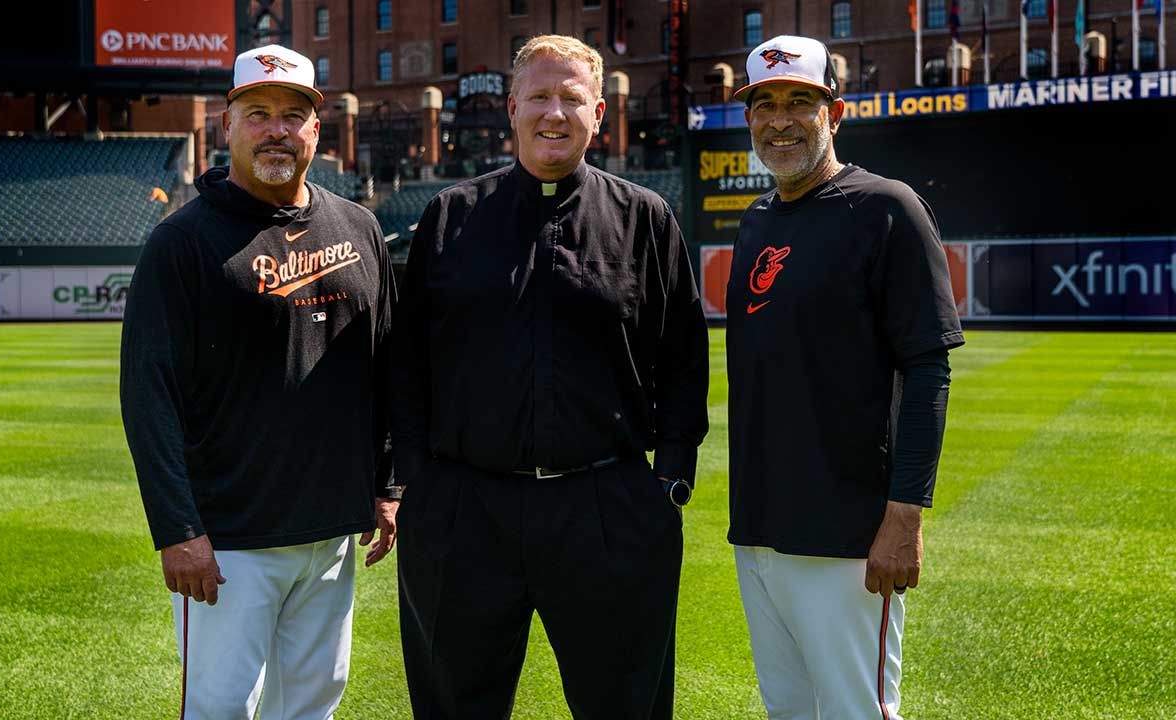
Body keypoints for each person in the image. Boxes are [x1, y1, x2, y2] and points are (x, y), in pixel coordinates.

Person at [388, 35, 709, 720]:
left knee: (625, 707)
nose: (553, 113)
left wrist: (671, 473)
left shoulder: (645, 218)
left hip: (607, 504)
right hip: (465, 508)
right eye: (539, 96)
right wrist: (415, 479)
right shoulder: (451, 215)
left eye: (570, 99)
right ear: (511, 108)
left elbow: (683, 356)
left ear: (598, 112)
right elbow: (407, 359)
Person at [119, 44, 400, 720]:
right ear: (227, 126)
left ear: (314, 130)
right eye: (258, 113)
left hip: (331, 532)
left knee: (310, 708)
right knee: (220, 710)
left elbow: (388, 363)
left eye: (292, 115)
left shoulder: (357, 226)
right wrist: (177, 528)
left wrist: (389, 487)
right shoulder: (182, 243)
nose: (276, 129)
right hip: (227, 544)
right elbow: (147, 392)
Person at [724, 35, 965, 720]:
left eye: (800, 101)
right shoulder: (757, 221)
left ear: (835, 112)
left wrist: (904, 517)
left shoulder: (887, 209)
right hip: (761, 528)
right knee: (789, 712)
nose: (779, 120)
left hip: (848, 535)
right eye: (763, 104)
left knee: (858, 713)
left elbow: (928, 371)